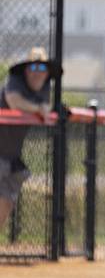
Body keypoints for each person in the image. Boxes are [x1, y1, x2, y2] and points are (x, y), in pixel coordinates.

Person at [0, 47, 55, 229]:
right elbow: (14, 101)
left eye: (41, 69)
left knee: (6, 202)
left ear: (47, 72)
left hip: (11, 156)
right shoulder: (15, 81)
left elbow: (47, 105)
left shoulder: (45, 86)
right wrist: (38, 109)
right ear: (26, 70)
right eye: (33, 68)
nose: (37, 73)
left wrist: (42, 108)